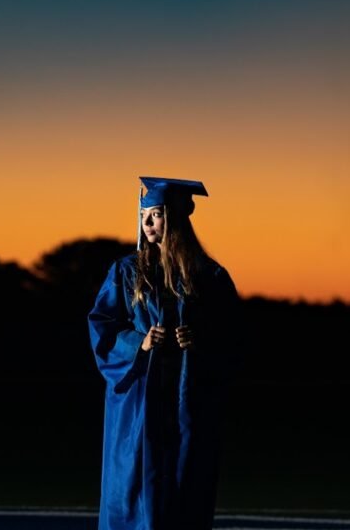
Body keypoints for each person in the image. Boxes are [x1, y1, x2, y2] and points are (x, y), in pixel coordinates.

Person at [88, 176, 241, 530]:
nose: (147, 222)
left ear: (176, 217)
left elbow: (234, 336)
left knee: (184, 482)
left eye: (156, 214)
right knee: (134, 486)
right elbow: (103, 325)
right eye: (144, 215)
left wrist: (200, 342)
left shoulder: (209, 276)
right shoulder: (127, 271)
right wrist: (137, 343)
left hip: (187, 396)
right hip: (140, 399)